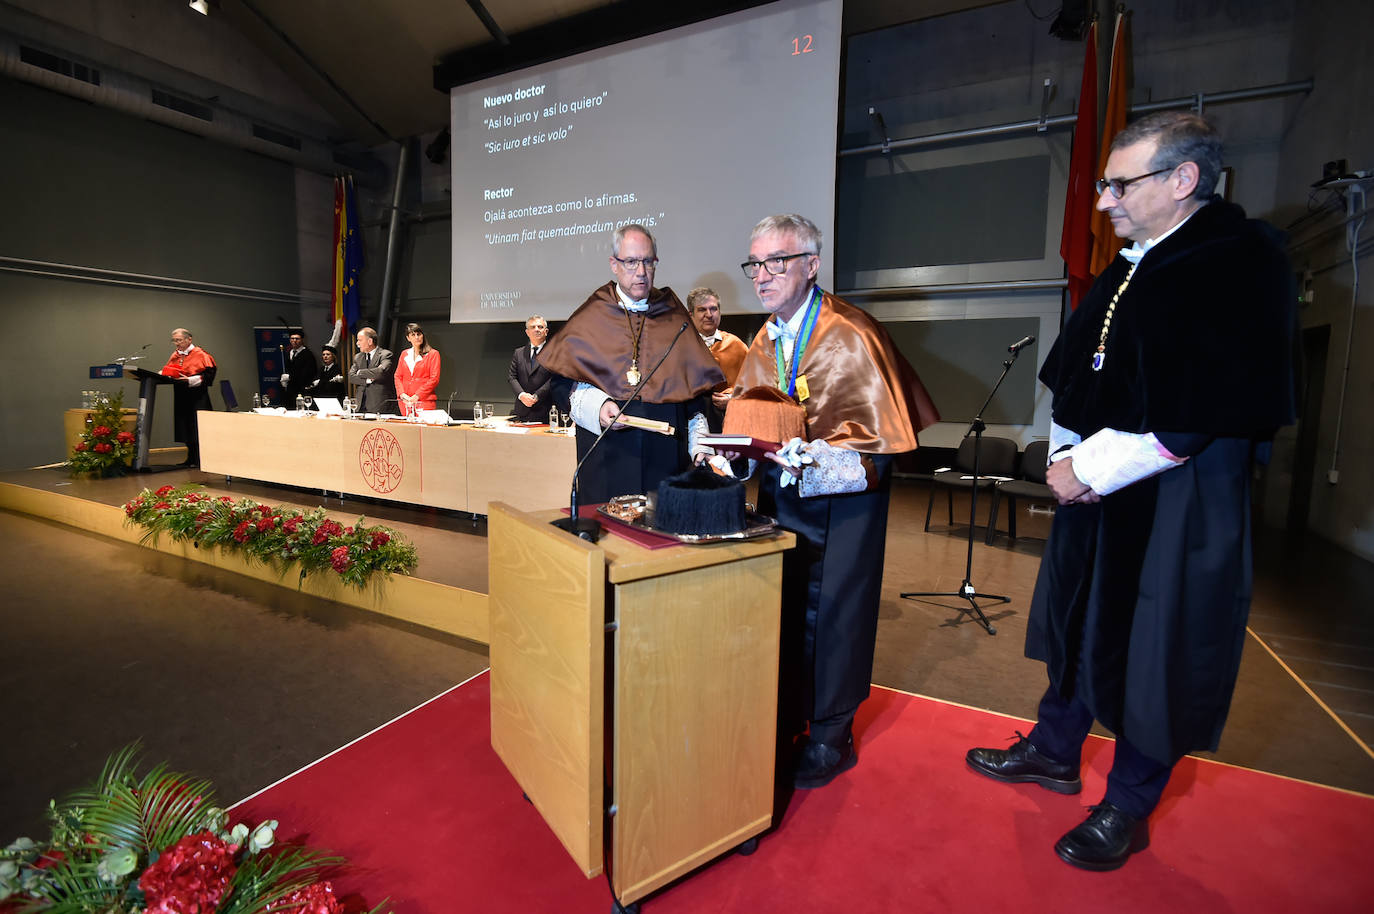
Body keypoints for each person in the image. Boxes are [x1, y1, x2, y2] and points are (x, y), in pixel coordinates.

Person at [965, 112, 1298, 871]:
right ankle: (1054, 750)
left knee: (1157, 649)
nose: (1105, 201)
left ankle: (1129, 804)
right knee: (1080, 621)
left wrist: (1088, 470)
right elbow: (1086, 377)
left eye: (1121, 183)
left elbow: (1204, 409)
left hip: (1179, 497)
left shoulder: (1241, 259)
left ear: (1183, 180)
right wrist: (1070, 455)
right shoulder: (1131, 265)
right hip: (1102, 491)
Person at [723, 214, 939, 789]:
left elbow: (879, 451)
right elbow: (751, 417)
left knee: (836, 613)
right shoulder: (766, 336)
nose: (761, 276)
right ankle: (792, 715)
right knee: (788, 607)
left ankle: (832, 735)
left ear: (811, 265)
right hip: (781, 501)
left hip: (845, 505)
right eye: (755, 264)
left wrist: (811, 458)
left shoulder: (852, 332)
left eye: (776, 262)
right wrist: (731, 453)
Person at [537, 224, 722, 504]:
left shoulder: (674, 315)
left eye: (648, 261)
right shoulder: (592, 314)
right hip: (607, 460)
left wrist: (701, 447)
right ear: (614, 264)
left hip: (665, 463)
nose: (641, 271)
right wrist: (598, 407)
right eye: (631, 261)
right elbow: (562, 385)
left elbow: (694, 394)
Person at [687, 286, 748, 431]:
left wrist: (734, 399)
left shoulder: (736, 345)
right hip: (689, 422)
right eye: (702, 310)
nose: (709, 314)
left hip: (728, 422)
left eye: (713, 309)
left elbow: (754, 386)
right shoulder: (680, 346)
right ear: (690, 315)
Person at [159, 327, 216, 467]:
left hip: (197, 397)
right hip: (181, 396)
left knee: (197, 427)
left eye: (178, 340)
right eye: (174, 341)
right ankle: (190, 458)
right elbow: (170, 369)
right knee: (185, 426)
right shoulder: (175, 355)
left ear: (188, 339)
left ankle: (200, 459)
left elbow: (209, 376)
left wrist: (190, 380)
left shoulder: (201, 354)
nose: (176, 343)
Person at [508, 315, 556, 422]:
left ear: (546, 331)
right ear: (527, 332)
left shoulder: (554, 353)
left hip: (546, 411)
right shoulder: (518, 353)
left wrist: (536, 396)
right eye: (533, 327)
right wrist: (522, 395)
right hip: (522, 410)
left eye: (540, 327)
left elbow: (554, 378)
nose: (537, 330)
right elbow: (512, 377)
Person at [394, 322, 441, 417]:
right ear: (408, 338)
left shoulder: (433, 354)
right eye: (413, 335)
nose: (417, 337)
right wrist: (402, 394)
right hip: (405, 402)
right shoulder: (404, 354)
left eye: (419, 334)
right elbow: (398, 376)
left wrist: (417, 395)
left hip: (424, 401)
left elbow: (434, 379)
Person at [349, 327, 395, 414]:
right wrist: (368, 380)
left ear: (370, 341)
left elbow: (381, 372)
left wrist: (360, 372)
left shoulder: (385, 354)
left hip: (378, 405)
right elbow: (351, 377)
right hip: (360, 405)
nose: (357, 343)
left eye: (360, 340)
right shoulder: (358, 357)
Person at [279, 330, 317, 408]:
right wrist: (283, 379)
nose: (294, 341)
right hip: (289, 391)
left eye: (297, 338)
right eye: (292, 338)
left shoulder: (308, 354)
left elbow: (308, 373)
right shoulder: (289, 353)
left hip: (302, 390)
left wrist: (290, 377)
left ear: (302, 340)